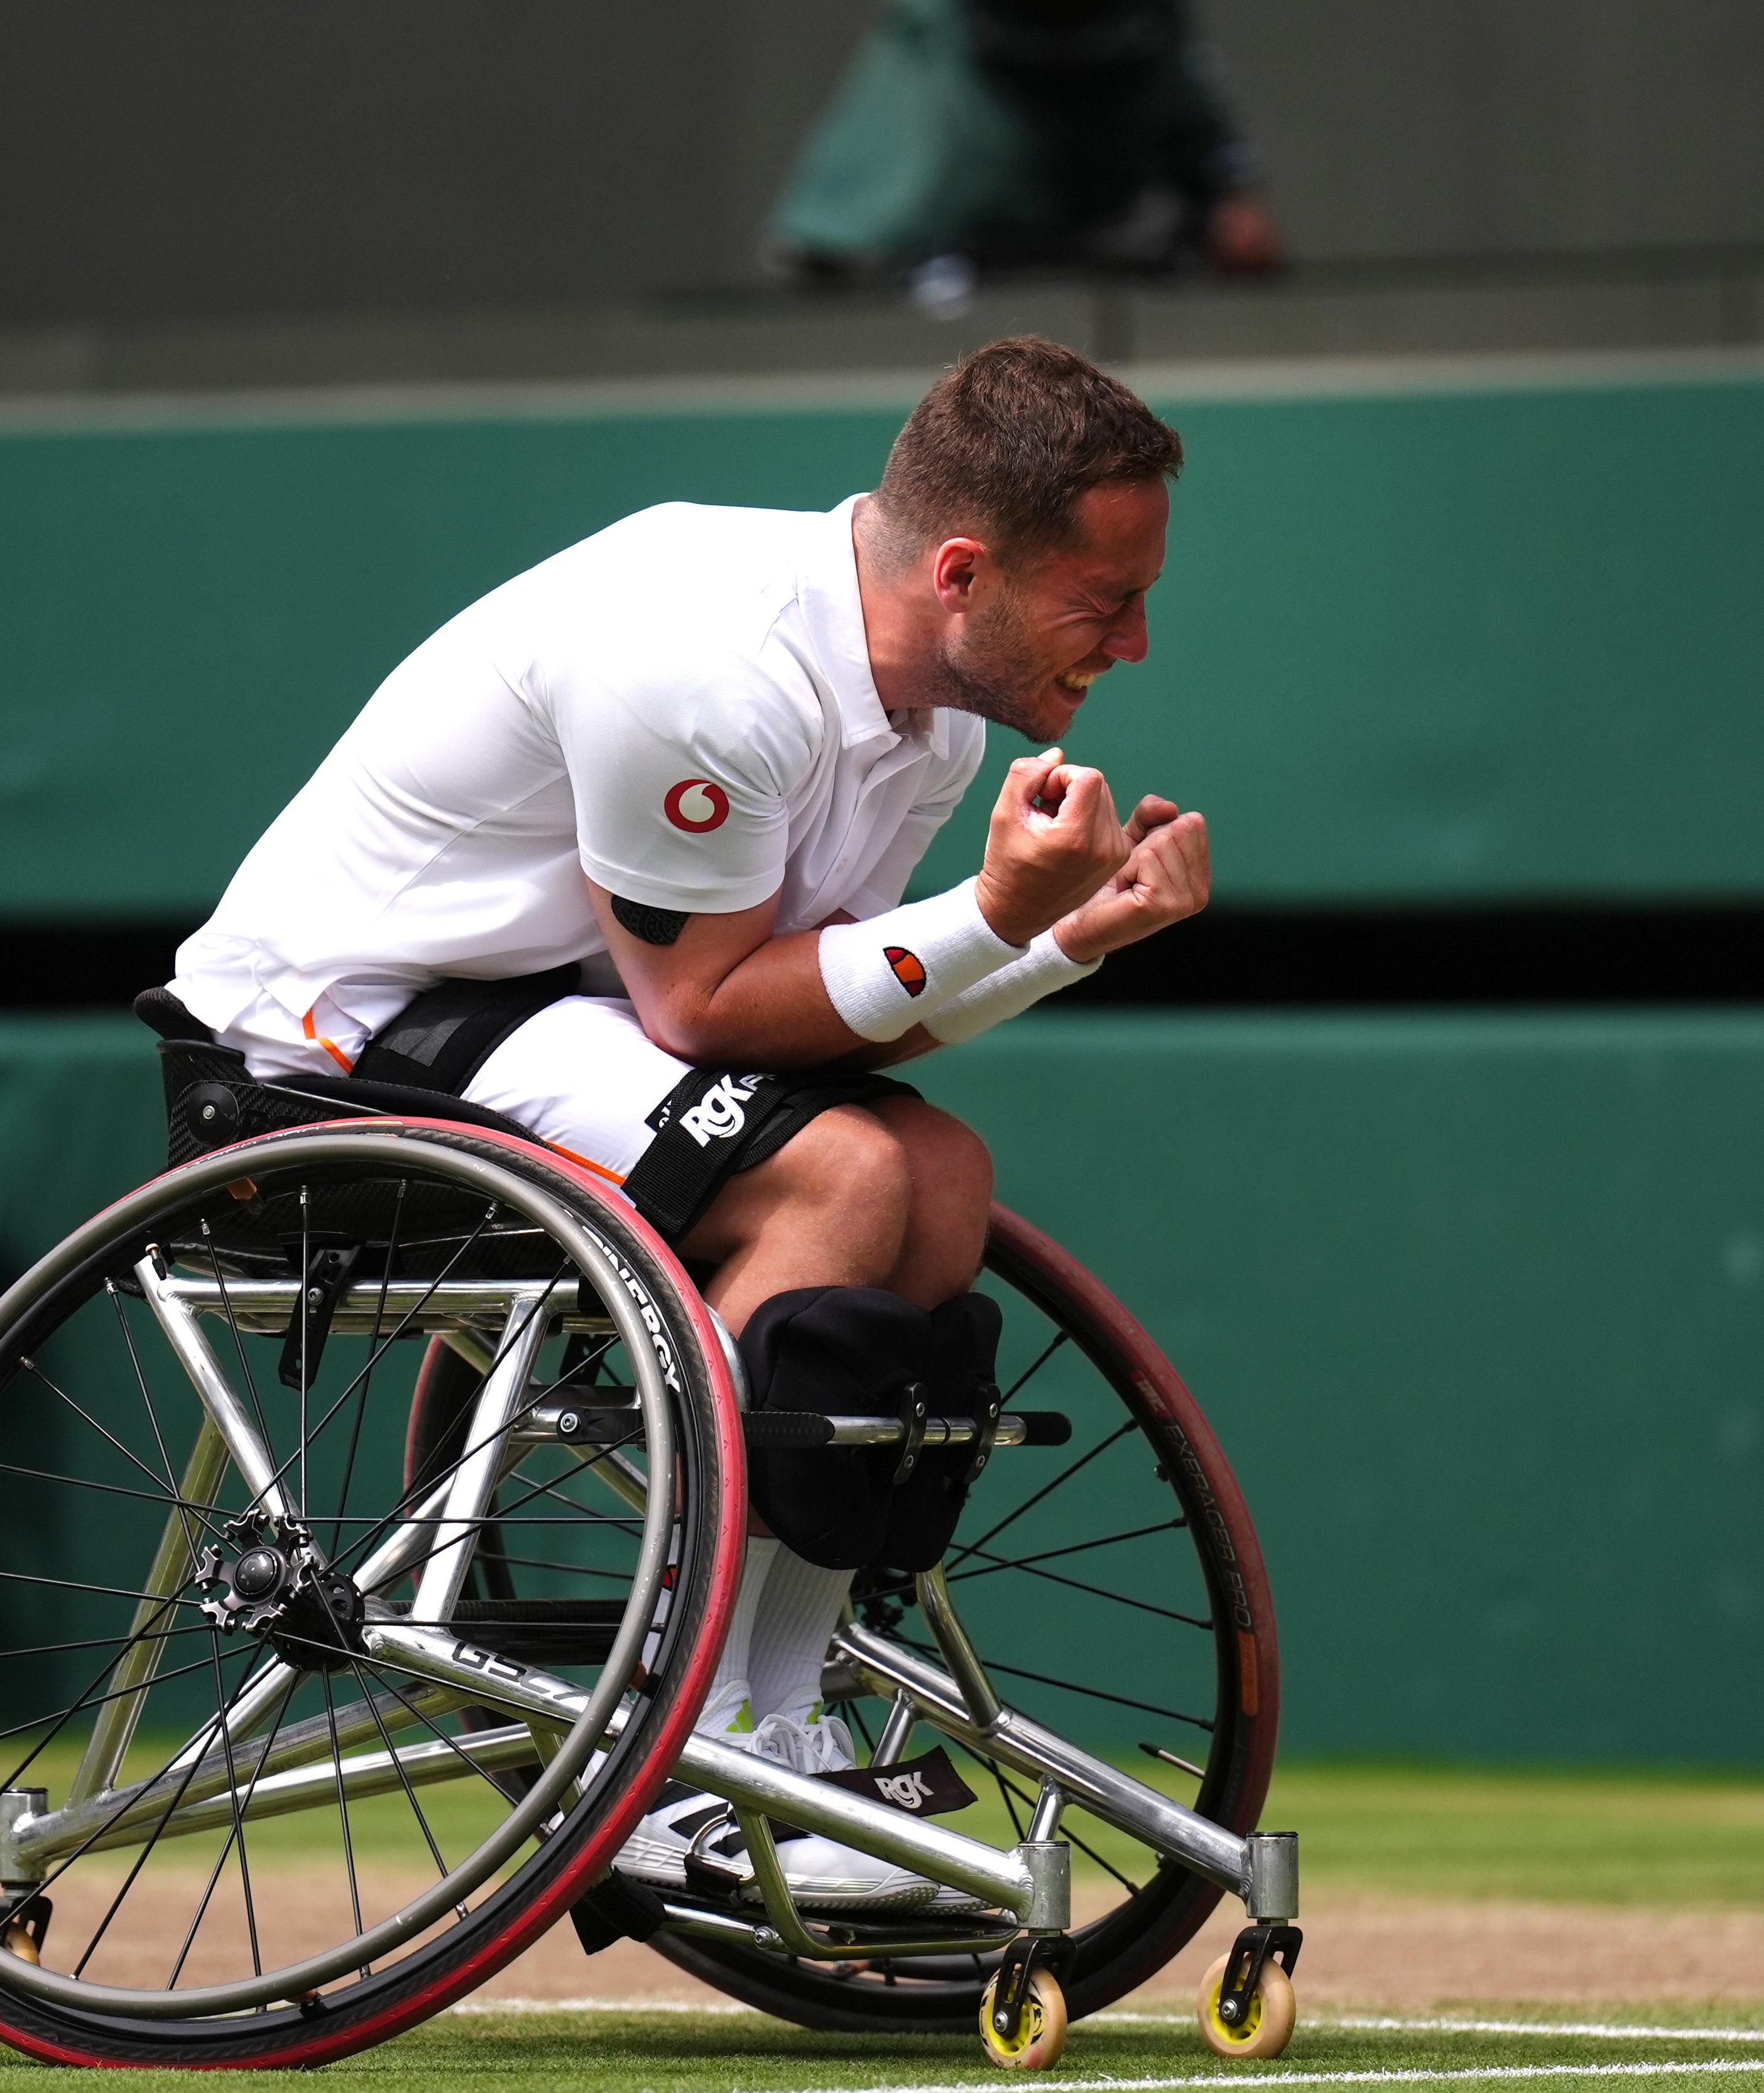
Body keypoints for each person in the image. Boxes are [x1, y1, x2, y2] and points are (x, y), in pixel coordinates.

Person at [162, 336, 1212, 1907]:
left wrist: (1055, 940)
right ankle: (678, 1757)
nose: (1133, 642)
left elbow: (822, 1015)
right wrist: (996, 911)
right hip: (324, 1034)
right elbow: (711, 1015)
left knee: (934, 1170)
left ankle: (774, 1740)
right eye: (1102, 600)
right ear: (960, 570)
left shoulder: (934, 720)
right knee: (842, 1174)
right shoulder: (705, 666)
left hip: (537, 1017)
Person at [769, 0, 1283, 298]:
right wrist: (826, 239)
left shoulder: (1149, 22)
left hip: (1118, 238)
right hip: (963, 255)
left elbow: (1192, 103)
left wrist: (1228, 190)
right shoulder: (934, 39)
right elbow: (816, 245)